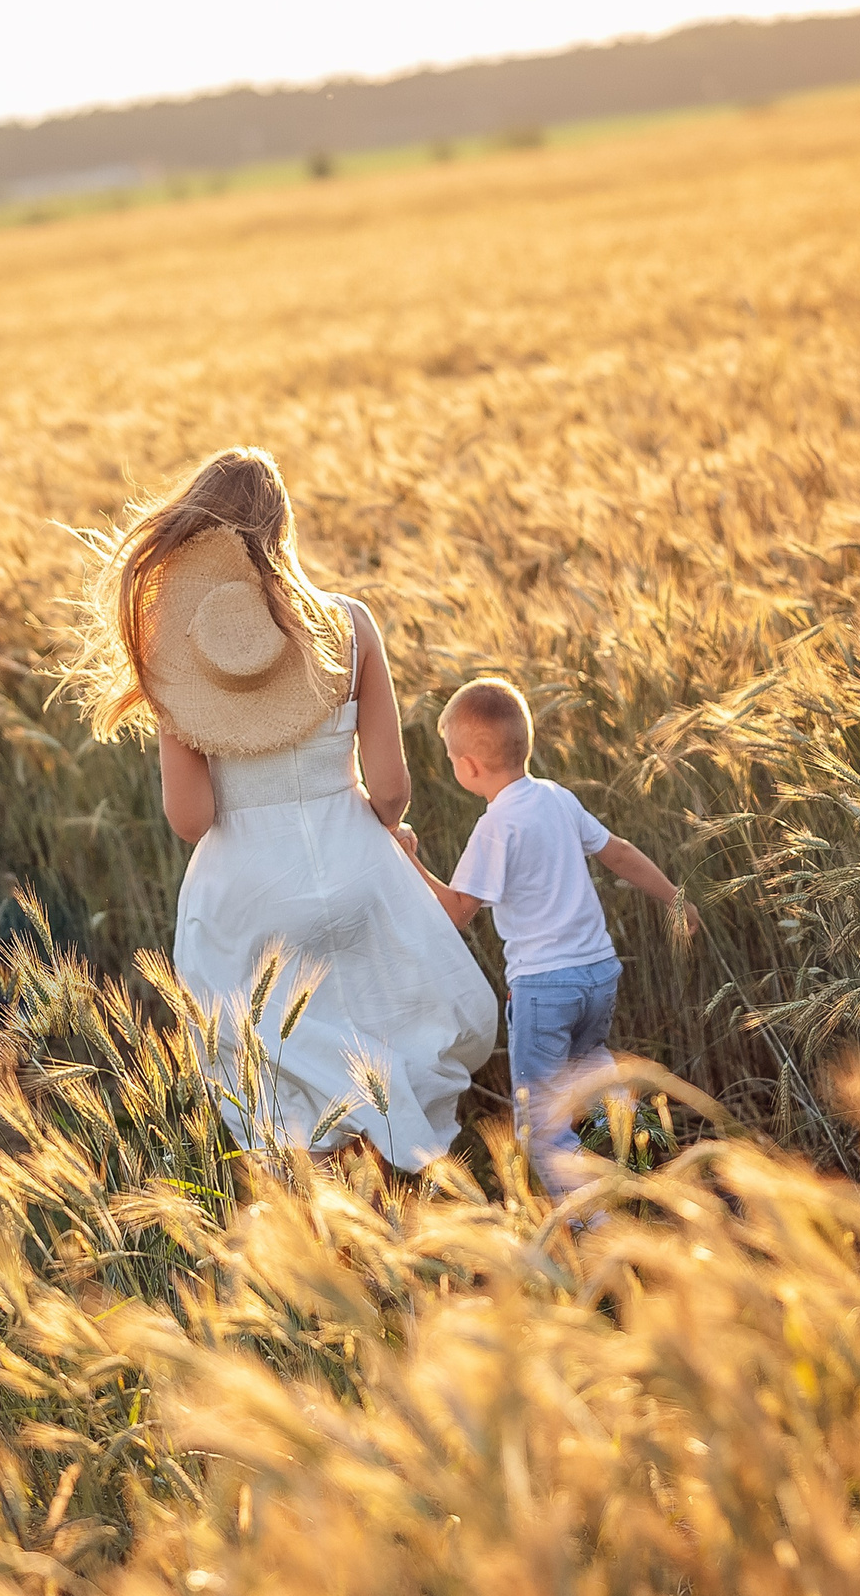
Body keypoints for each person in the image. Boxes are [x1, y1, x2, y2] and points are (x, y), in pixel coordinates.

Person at [67, 447, 497, 1170]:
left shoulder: (177, 655)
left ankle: (322, 1203)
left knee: (282, 1068)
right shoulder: (349, 624)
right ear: (282, 527)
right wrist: (385, 833)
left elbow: (190, 819)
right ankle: (397, 1181)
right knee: (382, 1031)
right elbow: (391, 789)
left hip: (248, 897)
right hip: (357, 868)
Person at [399, 677, 693, 1196]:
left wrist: (410, 860)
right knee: (590, 1069)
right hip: (598, 974)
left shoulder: (496, 826)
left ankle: (592, 1220)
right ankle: (646, 1155)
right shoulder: (558, 798)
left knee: (540, 1128)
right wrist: (675, 898)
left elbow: (457, 912)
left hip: (544, 989)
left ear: (468, 767)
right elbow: (619, 852)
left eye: (450, 758)